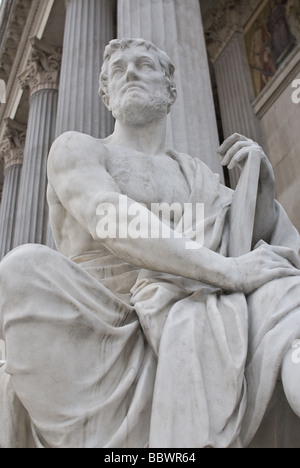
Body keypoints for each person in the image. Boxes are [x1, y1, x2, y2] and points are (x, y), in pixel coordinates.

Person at [1, 38, 300, 448]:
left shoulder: (197, 175)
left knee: (284, 294)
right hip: (103, 324)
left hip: (200, 305)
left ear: (171, 89)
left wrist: (259, 195)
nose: (131, 74)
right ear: (105, 93)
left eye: (144, 65)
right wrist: (228, 271)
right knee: (22, 265)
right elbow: (111, 218)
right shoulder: (78, 149)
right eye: (119, 70)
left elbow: (252, 243)